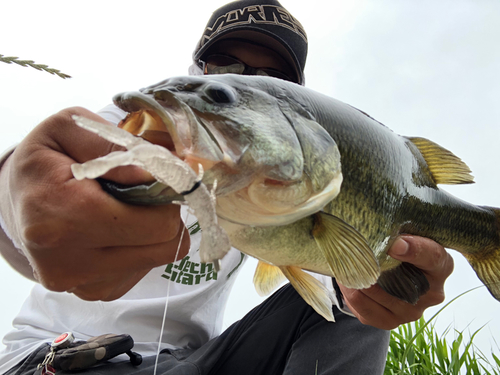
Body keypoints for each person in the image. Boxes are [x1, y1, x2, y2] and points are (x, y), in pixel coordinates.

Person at [0, 0, 454, 374]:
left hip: (192, 364)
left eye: (270, 80)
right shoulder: (146, 126)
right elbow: (31, 182)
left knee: (354, 304)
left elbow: (337, 278)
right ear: (197, 69)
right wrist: (16, 189)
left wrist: (382, 290)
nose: (235, 80)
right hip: (67, 357)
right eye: (223, 68)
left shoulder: (300, 187)